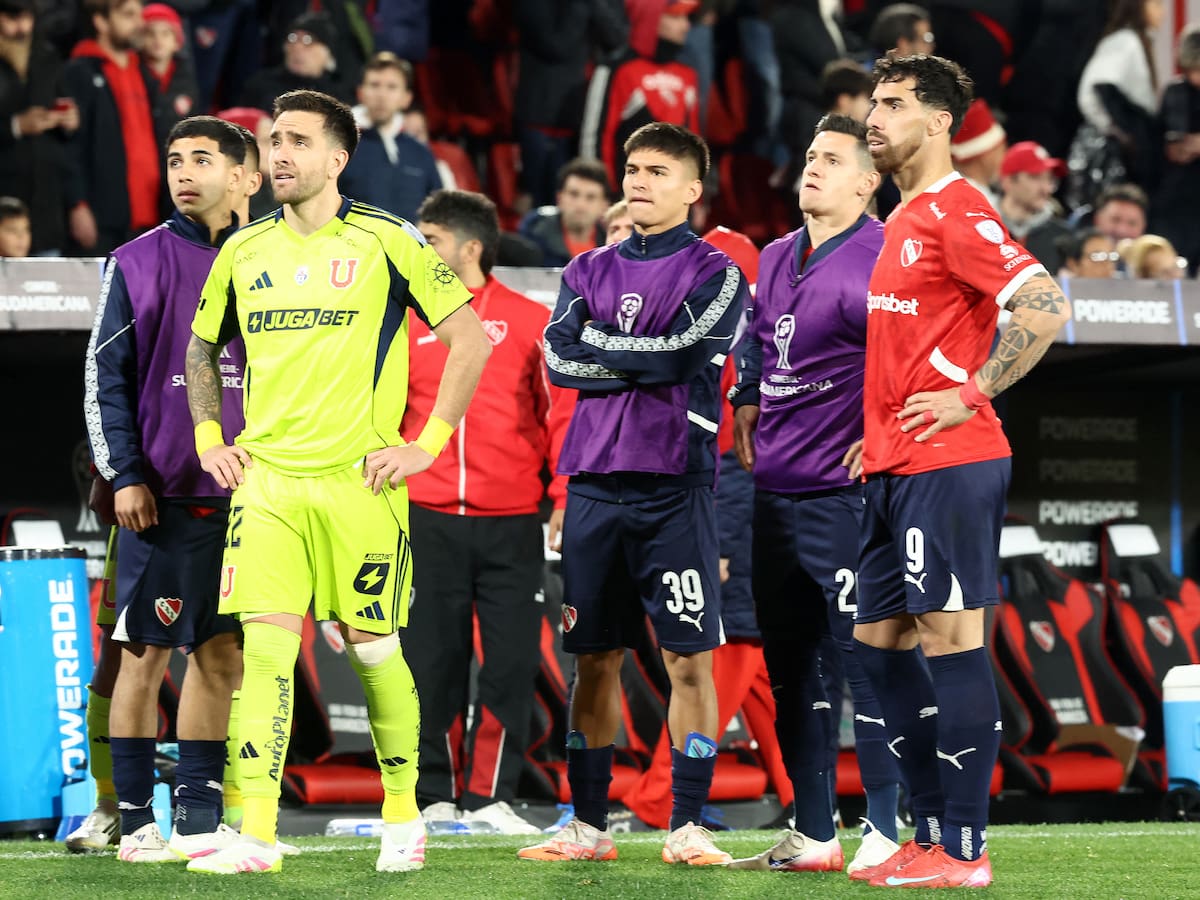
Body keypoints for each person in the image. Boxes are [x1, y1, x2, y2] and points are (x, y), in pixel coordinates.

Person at [183, 89, 491, 876]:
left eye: (294, 141)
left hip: (361, 485)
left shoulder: (388, 239)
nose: (276, 154)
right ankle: (254, 832)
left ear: (337, 158)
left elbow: (467, 340)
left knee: (373, 649)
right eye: (271, 141)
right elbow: (199, 352)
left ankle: (402, 814)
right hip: (269, 487)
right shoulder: (243, 251)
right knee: (266, 655)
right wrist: (211, 437)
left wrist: (426, 446)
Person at [850, 53, 1070, 888]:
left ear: (940, 121)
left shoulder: (957, 208)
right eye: (873, 102)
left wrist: (970, 393)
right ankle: (930, 829)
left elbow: (1044, 305)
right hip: (890, 466)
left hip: (951, 463)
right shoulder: (902, 216)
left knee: (949, 641)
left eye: (895, 104)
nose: (876, 117)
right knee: (874, 647)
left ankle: (966, 852)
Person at [518, 121, 748, 866]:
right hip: (592, 486)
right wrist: (640, 362)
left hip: (673, 487)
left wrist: (607, 355)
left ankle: (685, 826)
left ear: (692, 190)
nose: (639, 180)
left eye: (657, 171)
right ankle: (588, 827)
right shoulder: (585, 268)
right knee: (594, 658)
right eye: (633, 168)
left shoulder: (717, 272)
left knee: (689, 661)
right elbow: (557, 357)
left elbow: (687, 354)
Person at [67, 118, 266, 856]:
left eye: (204, 160)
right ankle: (131, 816)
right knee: (140, 657)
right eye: (176, 160)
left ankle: (199, 817)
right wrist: (124, 474)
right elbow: (103, 378)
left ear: (247, 176)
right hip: (163, 495)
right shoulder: (137, 260)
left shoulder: (283, 262)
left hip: (256, 503)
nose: (184, 172)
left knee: (222, 661)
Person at [726, 114, 901, 875]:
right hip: (775, 491)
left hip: (845, 492)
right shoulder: (773, 254)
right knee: (793, 666)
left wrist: (887, 431)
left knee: (868, 663)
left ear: (868, 182)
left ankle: (890, 828)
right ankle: (814, 830)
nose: (813, 169)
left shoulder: (888, 254)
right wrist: (744, 395)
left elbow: (909, 357)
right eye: (809, 157)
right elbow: (763, 341)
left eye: (832, 160)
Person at [402, 188, 571, 835]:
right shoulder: (406, 322)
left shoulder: (531, 321)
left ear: (470, 249)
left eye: (432, 240)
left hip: (511, 522)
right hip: (427, 517)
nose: (421, 251)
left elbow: (555, 419)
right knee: (431, 663)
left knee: (508, 664)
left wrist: (559, 496)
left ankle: (489, 797)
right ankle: (436, 795)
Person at [620, 224, 796, 835]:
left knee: (742, 668)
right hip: (743, 510)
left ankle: (667, 799)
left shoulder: (732, 339)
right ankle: (666, 793)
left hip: (736, 511)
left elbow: (733, 453)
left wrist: (718, 536)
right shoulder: (746, 341)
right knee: (745, 666)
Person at [63, 0, 168, 256]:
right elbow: (70, 146)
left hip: (150, 216)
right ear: (101, 22)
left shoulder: (144, 71)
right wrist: (77, 204)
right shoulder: (79, 72)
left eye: (139, 15)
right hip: (102, 218)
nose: (139, 23)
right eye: (128, 15)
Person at [0, 0, 78, 255]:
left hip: (45, 206)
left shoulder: (47, 58)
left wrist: (70, 121)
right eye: (12, 18)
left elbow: (64, 106)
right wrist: (16, 126)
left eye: (26, 18)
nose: (21, 28)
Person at [340, 52, 441, 223]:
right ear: (360, 93)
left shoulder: (420, 153)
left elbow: (438, 213)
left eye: (392, 87)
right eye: (374, 85)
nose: (382, 95)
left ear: (406, 98)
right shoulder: (342, 145)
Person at [518, 158, 609, 267]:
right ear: (559, 199)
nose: (581, 204)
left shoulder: (612, 244)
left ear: (604, 206)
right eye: (573, 194)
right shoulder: (534, 234)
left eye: (590, 197)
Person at [140, 3, 197, 125]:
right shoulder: (134, 74)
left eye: (165, 33)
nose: (157, 39)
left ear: (177, 42)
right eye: (150, 33)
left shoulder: (186, 77)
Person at [950, 99, 1006, 211]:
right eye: (1001, 149)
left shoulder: (950, 190)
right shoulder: (978, 204)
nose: (1005, 156)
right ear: (986, 156)